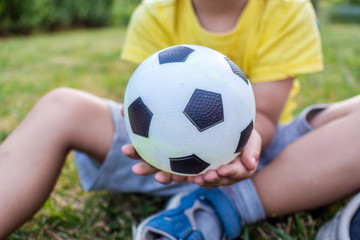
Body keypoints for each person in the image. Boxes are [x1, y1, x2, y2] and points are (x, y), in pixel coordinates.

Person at [0, 0, 358, 239]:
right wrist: (146, 139)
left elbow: (263, 114)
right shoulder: (155, 12)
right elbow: (144, 101)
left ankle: (220, 208)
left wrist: (243, 151)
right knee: (61, 105)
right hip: (157, 157)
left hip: (262, 158)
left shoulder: (287, 10)